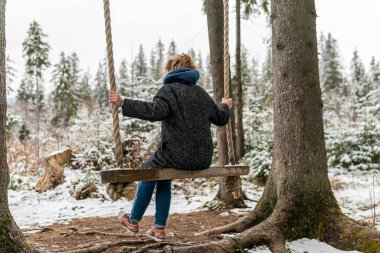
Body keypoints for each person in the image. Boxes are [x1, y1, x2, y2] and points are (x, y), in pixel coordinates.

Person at [109, 53, 232, 240]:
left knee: (147, 170)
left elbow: (153, 111)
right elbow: (221, 118)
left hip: (176, 155)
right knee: (163, 177)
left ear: (171, 70)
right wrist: (225, 106)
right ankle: (158, 228)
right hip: (202, 159)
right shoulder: (201, 94)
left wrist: (124, 102)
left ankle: (133, 220)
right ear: (191, 70)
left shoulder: (169, 91)